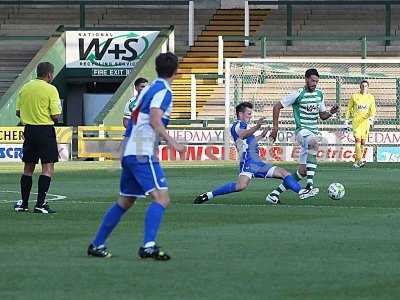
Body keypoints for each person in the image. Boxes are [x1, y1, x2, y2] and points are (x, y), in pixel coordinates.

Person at [87, 52, 184, 260]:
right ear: (176, 71)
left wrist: (123, 149)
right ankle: (148, 246)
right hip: (142, 152)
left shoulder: (146, 89)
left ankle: (97, 244)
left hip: (132, 151)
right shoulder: (164, 91)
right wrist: (172, 141)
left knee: (126, 201)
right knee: (161, 198)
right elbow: (155, 120)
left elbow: (133, 119)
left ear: (156, 69)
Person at [193, 102, 316, 205]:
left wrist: (262, 135)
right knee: (240, 186)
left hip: (257, 161)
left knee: (284, 173)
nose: (250, 116)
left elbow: (249, 141)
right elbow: (242, 135)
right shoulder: (237, 125)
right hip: (249, 161)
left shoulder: (244, 126)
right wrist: (257, 127)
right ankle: (209, 195)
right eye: (248, 113)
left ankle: (301, 192)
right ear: (240, 114)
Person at [266, 68, 339, 204]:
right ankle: (309, 186)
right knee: (315, 143)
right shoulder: (297, 94)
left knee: (302, 171)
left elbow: (322, 116)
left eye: (316, 81)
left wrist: (331, 112)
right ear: (306, 79)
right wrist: (275, 128)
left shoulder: (319, 95)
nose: (314, 83)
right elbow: (277, 106)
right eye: (312, 80)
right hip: (301, 131)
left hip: (312, 132)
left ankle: (274, 194)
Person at [14, 62, 61, 214]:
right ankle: (40, 204)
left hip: (29, 130)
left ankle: (24, 204)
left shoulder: (25, 87)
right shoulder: (51, 89)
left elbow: (18, 112)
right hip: (45, 130)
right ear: (49, 74)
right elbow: (55, 115)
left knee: (28, 167)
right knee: (47, 167)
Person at [344, 80, 376, 168]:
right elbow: (349, 108)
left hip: (365, 122)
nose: (364, 87)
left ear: (368, 87)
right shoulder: (354, 96)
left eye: (366, 86)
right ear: (360, 87)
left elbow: (373, 109)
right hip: (356, 122)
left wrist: (371, 119)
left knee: (363, 142)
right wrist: (346, 120)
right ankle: (360, 160)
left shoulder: (371, 97)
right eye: (362, 86)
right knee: (357, 140)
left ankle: (356, 161)